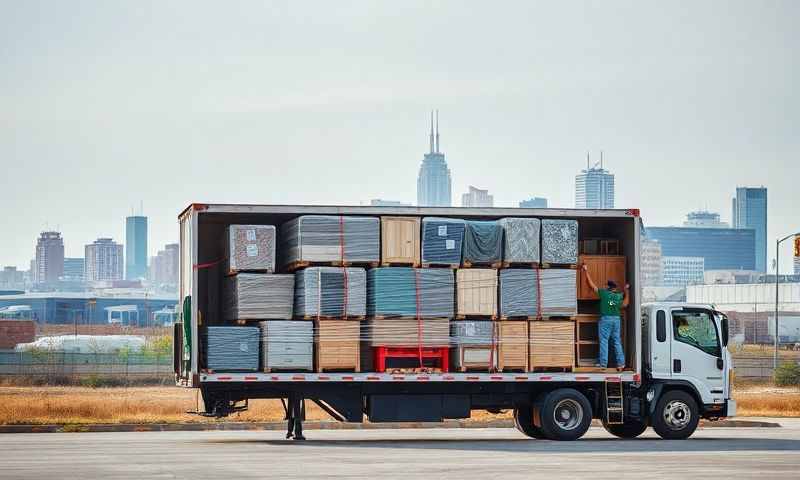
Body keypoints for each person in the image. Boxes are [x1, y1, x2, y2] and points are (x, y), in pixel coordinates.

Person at [582, 264, 628, 371]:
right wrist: (627, 290)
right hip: (616, 319)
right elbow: (625, 304)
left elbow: (591, 285)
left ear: (608, 287)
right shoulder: (619, 296)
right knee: (617, 341)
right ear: (615, 288)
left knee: (604, 341)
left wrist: (586, 271)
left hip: (606, 319)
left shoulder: (604, 293)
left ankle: (603, 364)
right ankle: (621, 364)